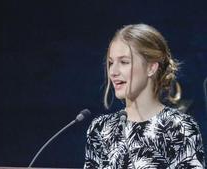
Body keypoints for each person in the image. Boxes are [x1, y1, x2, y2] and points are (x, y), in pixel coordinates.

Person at [84, 24, 205, 168]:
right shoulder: (100, 128)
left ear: (151, 68)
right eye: (111, 63)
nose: (113, 71)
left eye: (124, 62)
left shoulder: (179, 127)